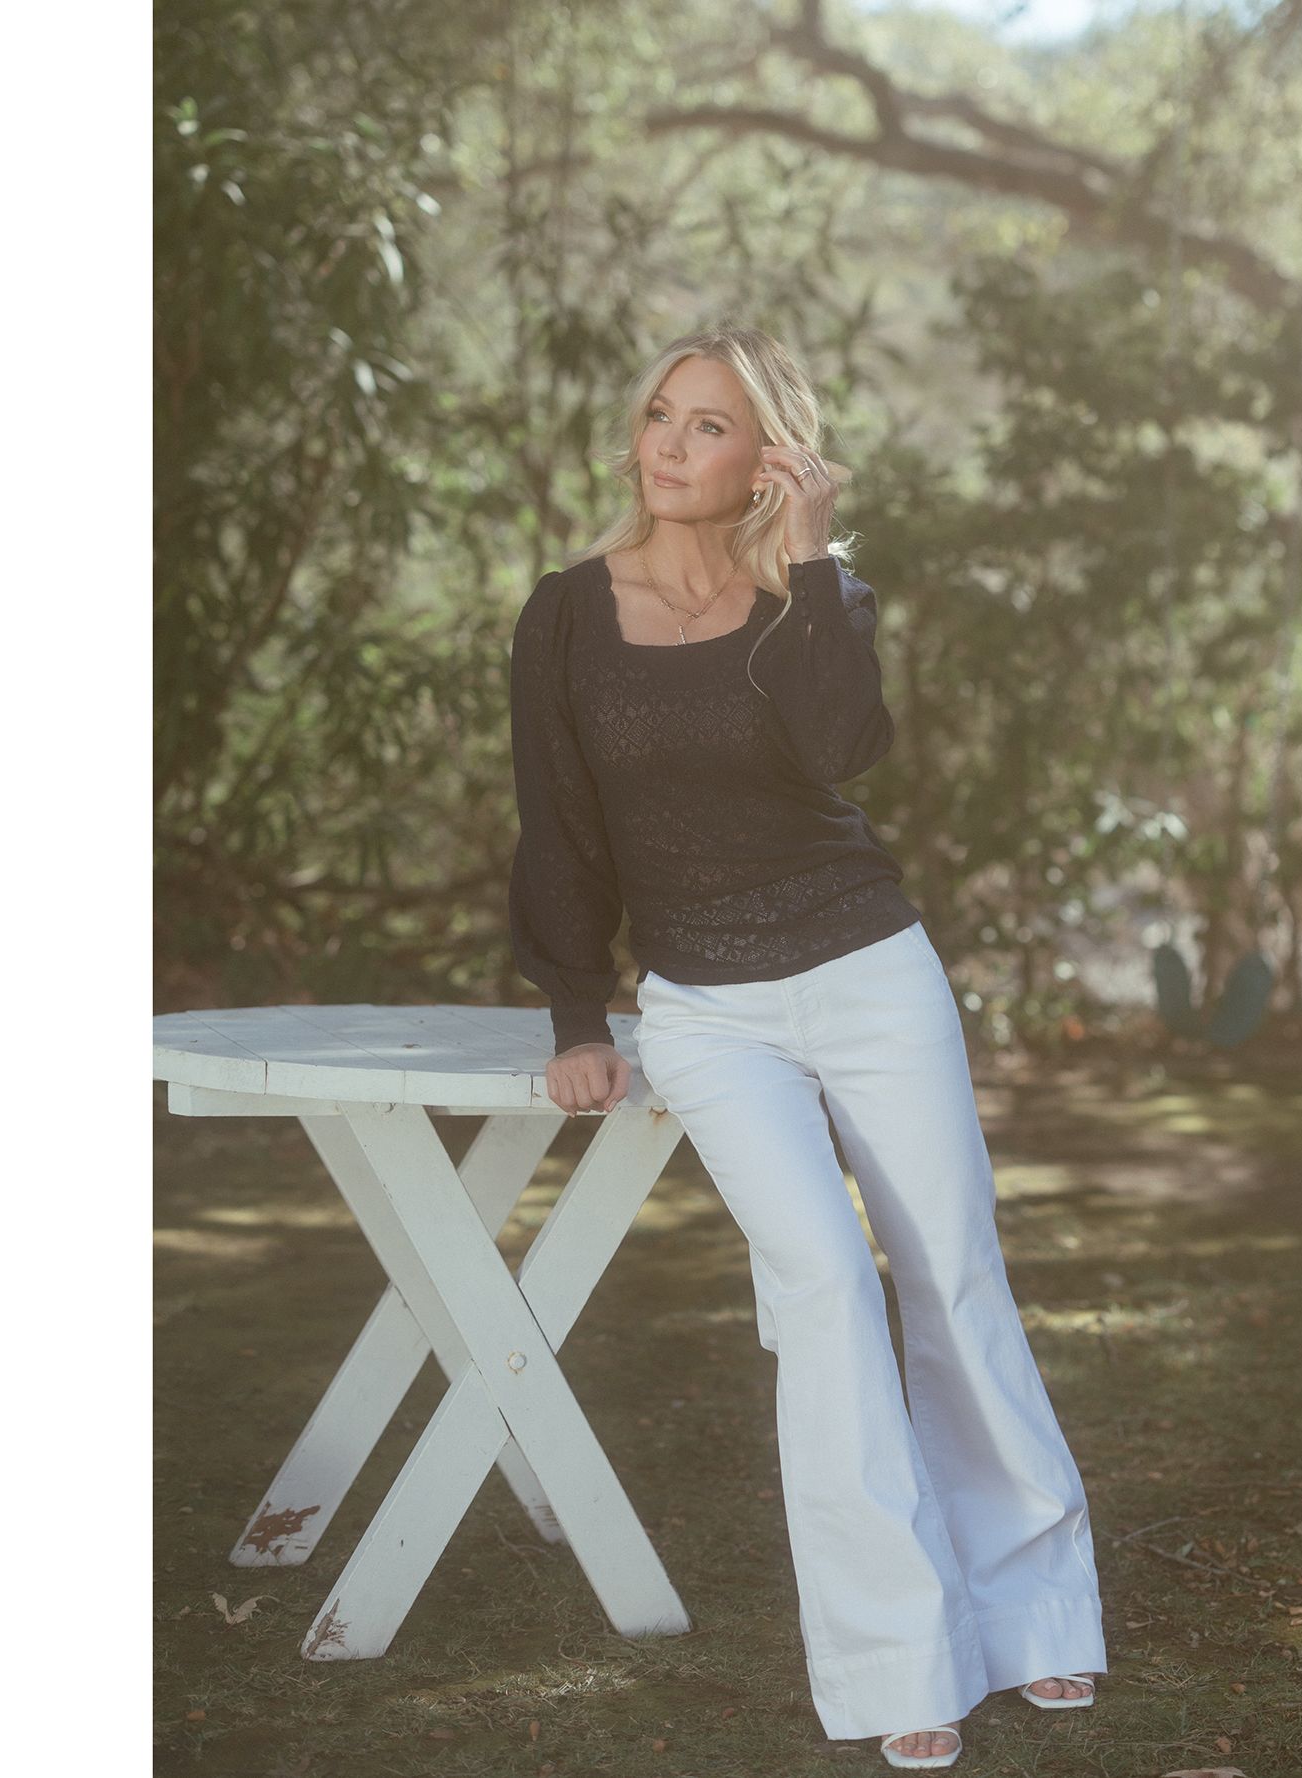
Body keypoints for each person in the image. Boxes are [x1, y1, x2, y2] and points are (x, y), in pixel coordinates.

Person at [508, 322, 1107, 1769]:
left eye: (709, 425)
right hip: (707, 1008)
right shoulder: (567, 613)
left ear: (771, 455)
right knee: (827, 1288)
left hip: (867, 969)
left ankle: (1035, 1613)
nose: (668, 445)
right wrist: (578, 1010)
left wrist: (815, 557)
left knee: (952, 1272)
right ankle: (900, 1655)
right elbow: (557, 818)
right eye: (660, 414)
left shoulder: (811, 596)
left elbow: (845, 751)